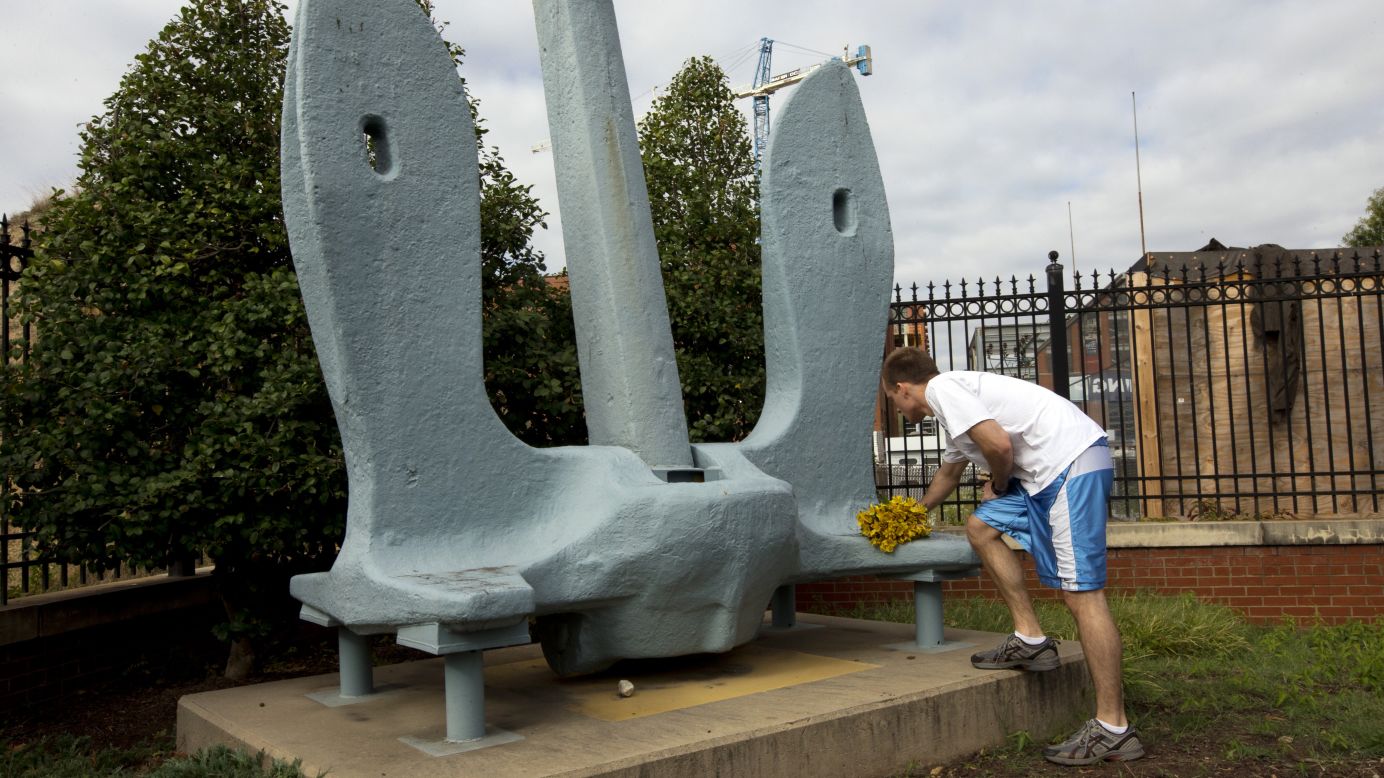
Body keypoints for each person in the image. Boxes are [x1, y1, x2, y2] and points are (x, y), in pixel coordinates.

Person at [881, 346, 1144, 766]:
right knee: (981, 528)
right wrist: (912, 514)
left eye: (893, 400)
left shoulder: (945, 387)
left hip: (1068, 464)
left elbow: (998, 446)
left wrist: (999, 484)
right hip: (1040, 475)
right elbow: (949, 473)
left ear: (902, 388)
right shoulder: (953, 412)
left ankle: (1113, 727)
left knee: (1082, 595)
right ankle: (1031, 640)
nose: (897, 409)